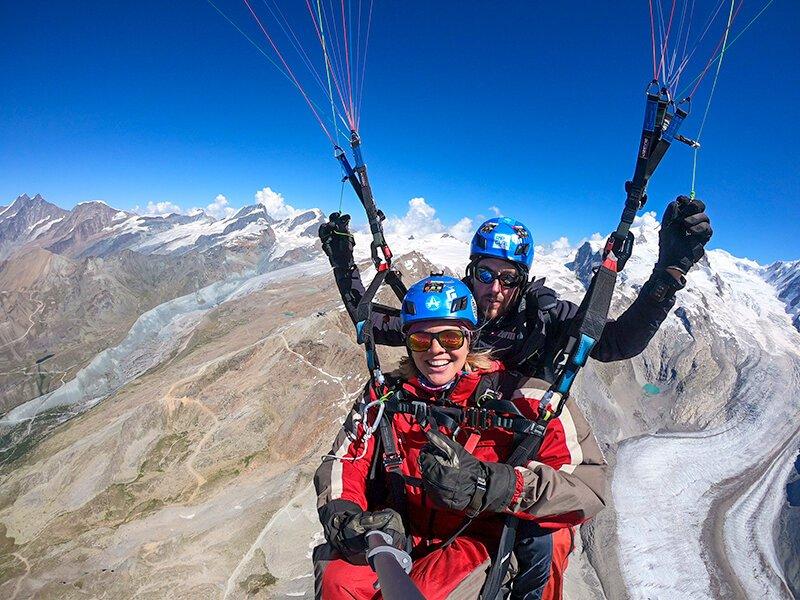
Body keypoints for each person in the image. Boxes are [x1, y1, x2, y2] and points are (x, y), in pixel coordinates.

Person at [318, 196, 713, 597]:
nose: (494, 288)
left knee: (547, 542)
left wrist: (670, 273)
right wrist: (343, 265)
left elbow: (613, 342)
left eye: (507, 279)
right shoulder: (443, 309)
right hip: (444, 467)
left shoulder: (541, 319)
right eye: (485, 274)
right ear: (471, 271)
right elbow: (371, 320)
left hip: (517, 449)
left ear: (521, 281)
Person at [313, 276, 607, 599]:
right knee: (336, 579)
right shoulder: (385, 396)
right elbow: (345, 461)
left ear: (470, 338)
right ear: (408, 344)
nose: (436, 351)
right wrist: (347, 517)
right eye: (421, 341)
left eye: (450, 338)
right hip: (400, 534)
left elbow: (588, 484)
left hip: (474, 540)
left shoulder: (521, 396)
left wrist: (492, 484)